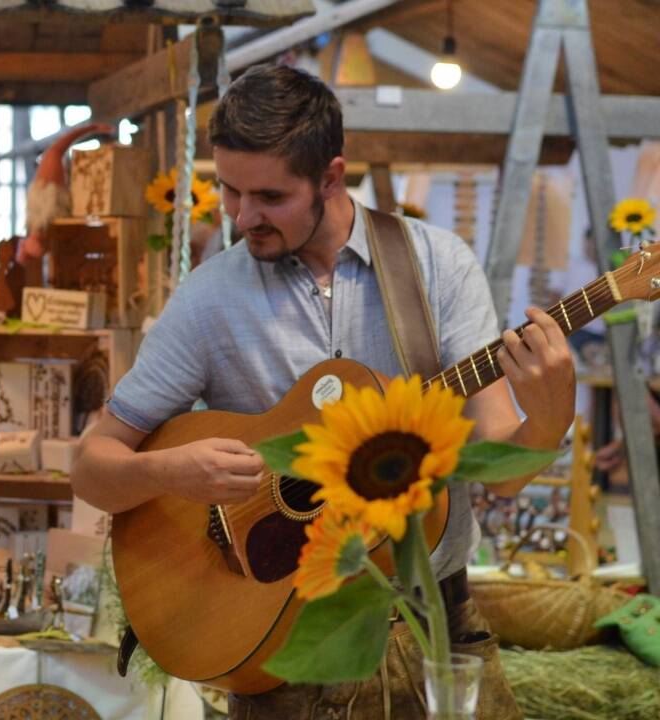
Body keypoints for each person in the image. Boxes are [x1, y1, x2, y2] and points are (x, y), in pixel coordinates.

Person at [70, 64, 574, 720]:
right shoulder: (209, 297)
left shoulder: (437, 267)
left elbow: (503, 474)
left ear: (331, 177)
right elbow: (91, 466)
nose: (243, 217)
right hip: (281, 654)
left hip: (433, 634)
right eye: (229, 191)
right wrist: (169, 471)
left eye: (270, 196)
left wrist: (551, 411)